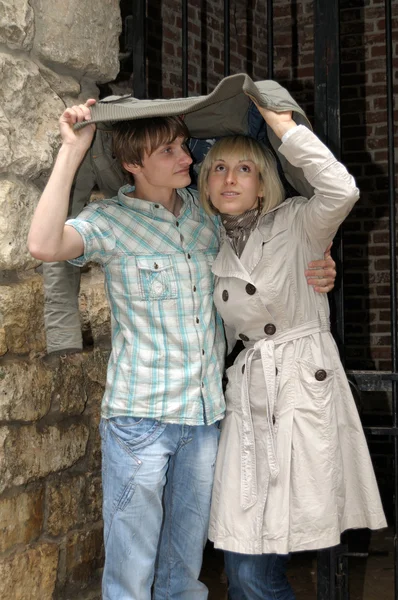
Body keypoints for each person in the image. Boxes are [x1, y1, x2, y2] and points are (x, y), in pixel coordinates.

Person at [28, 99, 336, 600]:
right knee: (131, 573)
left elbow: (265, 261)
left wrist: (319, 265)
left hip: (204, 419)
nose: (187, 158)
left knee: (182, 572)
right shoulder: (108, 221)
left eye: (181, 147)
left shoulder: (206, 218)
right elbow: (43, 245)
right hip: (139, 420)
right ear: (133, 164)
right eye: (169, 150)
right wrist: (71, 152)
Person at [198, 105, 387, 599]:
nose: (230, 179)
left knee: (258, 569)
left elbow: (342, 189)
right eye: (219, 167)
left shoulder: (301, 220)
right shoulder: (205, 240)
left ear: (264, 183)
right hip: (248, 399)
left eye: (245, 168)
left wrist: (284, 127)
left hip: (300, 390)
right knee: (242, 564)